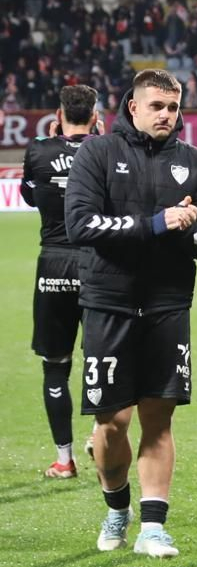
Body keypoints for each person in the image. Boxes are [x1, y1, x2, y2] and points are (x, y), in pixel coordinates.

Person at [65, 69, 197, 559]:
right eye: (156, 105)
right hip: (108, 302)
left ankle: (154, 526)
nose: (166, 115)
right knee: (112, 421)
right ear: (132, 107)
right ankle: (117, 506)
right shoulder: (97, 152)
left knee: (158, 417)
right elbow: (80, 224)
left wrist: (186, 229)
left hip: (167, 305)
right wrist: (158, 222)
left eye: (173, 107)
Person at [22, 85, 100, 478]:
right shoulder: (105, 150)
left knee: (56, 365)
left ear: (58, 114)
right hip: (97, 264)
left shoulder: (38, 150)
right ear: (96, 116)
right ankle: (101, 434)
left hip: (53, 263)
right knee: (102, 358)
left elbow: (29, 197)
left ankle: (64, 460)